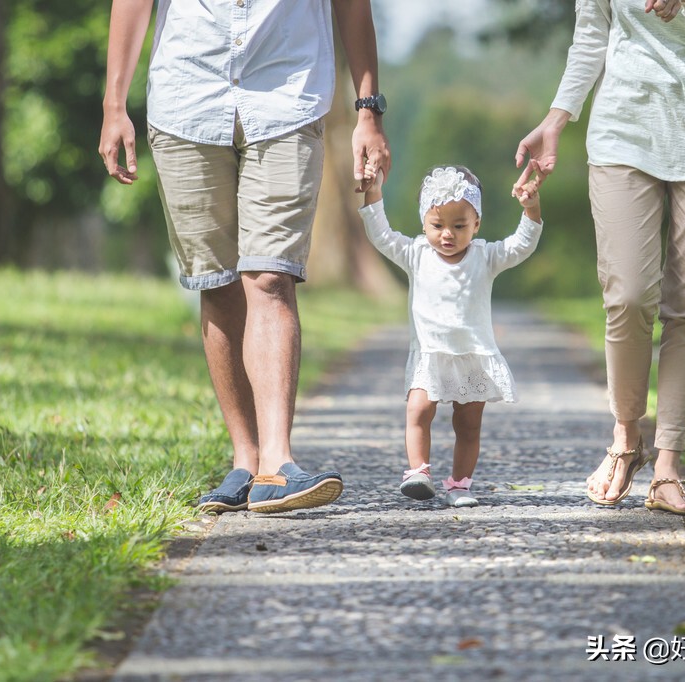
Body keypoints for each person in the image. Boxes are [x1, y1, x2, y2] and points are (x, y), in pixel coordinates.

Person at [98, 0, 392, 514]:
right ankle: (245, 460)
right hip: (187, 97)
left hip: (288, 96)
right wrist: (114, 105)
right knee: (216, 282)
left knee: (271, 276)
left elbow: (352, 6)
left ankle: (278, 462)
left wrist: (368, 113)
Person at [514, 0, 685, 514]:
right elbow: (590, 36)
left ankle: (668, 467)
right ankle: (626, 438)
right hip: (623, 131)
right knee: (627, 294)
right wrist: (557, 119)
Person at [358, 164, 543, 507]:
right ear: (423, 223)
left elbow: (520, 246)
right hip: (430, 353)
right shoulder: (416, 254)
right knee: (418, 410)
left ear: (477, 225)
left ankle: (460, 485)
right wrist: (374, 191)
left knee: (468, 424)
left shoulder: (485, 256)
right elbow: (381, 235)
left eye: (459, 226)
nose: (448, 234)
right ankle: (418, 473)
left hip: (472, 355)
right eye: (437, 225)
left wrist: (530, 210)